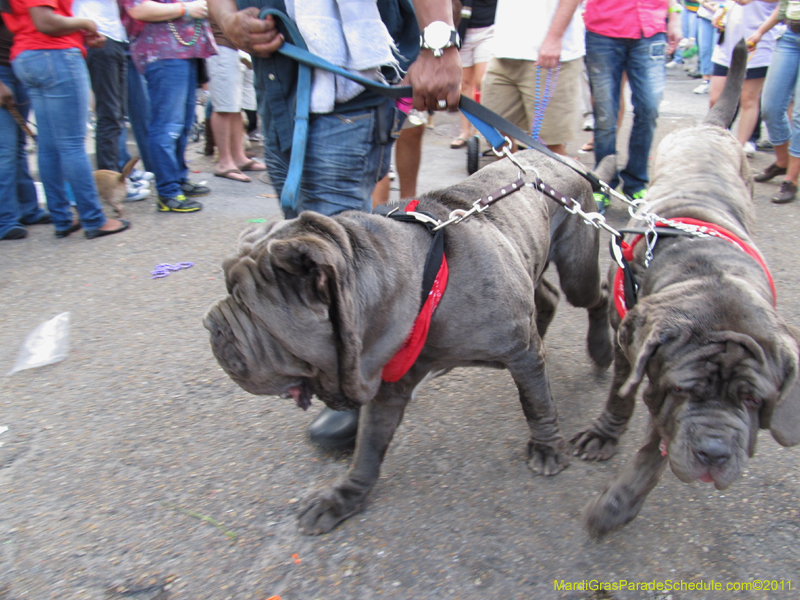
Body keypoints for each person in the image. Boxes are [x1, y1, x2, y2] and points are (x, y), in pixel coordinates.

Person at [209, 0, 461, 450]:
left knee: (343, 258)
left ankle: (372, 378)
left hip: (346, 88)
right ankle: (343, 361)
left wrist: (438, 41)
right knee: (304, 255)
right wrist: (228, 19)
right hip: (280, 87)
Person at [4, 0, 130, 238]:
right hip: (54, 54)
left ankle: (62, 219)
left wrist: (80, 33)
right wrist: (87, 23)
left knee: (49, 146)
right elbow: (46, 22)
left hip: (28, 54)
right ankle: (94, 220)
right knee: (72, 144)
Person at [584, 0, 682, 212]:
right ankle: (602, 182)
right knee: (604, 114)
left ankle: (636, 182)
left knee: (649, 108)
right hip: (603, 29)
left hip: (651, 28)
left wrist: (674, 16)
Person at [124, 0, 217, 213]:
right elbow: (137, 8)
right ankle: (168, 192)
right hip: (163, 52)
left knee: (183, 123)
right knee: (167, 126)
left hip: (184, 51)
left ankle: (178, 179)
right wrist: (184, 9)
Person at [481, 0, 586, 157]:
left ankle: (556, 181)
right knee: (492, 130)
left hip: (548, 55)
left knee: (548, 143)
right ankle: (517, 179)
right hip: (504, 49)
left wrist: (554, 38)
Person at [0, 12, 50, 241]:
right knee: (5, 150)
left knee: (18, 145)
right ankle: (5, 219)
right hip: (2, 72)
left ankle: (29, 209)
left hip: (17, 63)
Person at [708, 0, 778, 152]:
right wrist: (721, 8)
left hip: (756, 40)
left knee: (748, 98)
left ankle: (739, 148)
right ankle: (717, 142)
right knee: (715, 97)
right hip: (727, 42)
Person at [749, 0, 799, 204]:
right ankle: (782, 161)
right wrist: (760, 32)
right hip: (789, 36)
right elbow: (785, 6)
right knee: (770, 106)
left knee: (798, 116)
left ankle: (791, 179)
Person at [206, 11, 265, 181]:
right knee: (224, 105)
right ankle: (224, 161)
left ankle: (239, 157)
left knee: (237, 105)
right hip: (220, 43)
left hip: (240, 46)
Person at [450, 0, 496, 149]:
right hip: (461, 29)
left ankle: (482, 130)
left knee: (482, 81)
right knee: (464, 84)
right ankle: (466, 132)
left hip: (488, 28)